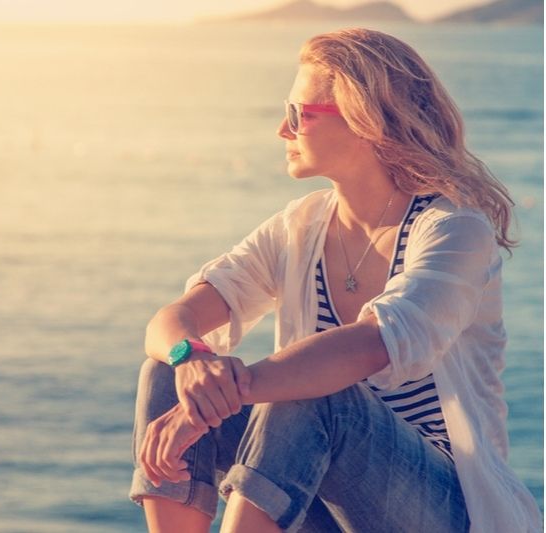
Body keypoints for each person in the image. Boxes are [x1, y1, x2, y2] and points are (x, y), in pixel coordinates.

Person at [128, 28, 541, 533]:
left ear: (365, 122)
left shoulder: (454, 230)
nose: (283, 128)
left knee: (315, 392)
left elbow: (372, 346)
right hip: (324, 496)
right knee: (168, 376)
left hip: (444, 510)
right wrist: (189, 359)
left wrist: (223, 394)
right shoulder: (299, 227)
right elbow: (177, 317)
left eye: (299, 114)